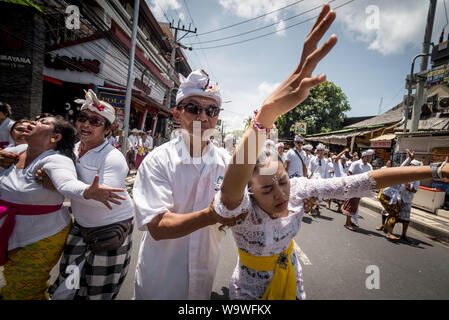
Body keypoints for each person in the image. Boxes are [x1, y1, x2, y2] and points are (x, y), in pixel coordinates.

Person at [207, 4, 449, 299]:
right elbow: (230, 189)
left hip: (294, 288)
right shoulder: (242, 210)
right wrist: (266, 116)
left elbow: (364, 182)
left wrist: (434, 169)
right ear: (251, 191)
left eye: (282, 181)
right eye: (267, 189)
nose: (281, 194)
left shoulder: (298, 189)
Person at [132, 69, 245, 300]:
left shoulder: (227, 163)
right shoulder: (158, 160)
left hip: (202, 284)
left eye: (211, 110)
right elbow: (158, 225)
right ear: (177, 114)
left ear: (217, 118)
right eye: (193, 108)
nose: (203, 117)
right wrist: (212, 215)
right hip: (158, 284)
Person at [0, 114, 123, 300]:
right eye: (83, 118)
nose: (33, 122)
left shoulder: (58, 159)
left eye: (43, 122)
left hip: (46, 235)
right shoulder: (16, 150)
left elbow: (66, 183)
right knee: (18, 280)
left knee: (22, 290)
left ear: (55, 137)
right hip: (13, 230)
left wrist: (88, 191)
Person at [41, 90, 134, 300]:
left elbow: (103, 201)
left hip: (111, 229)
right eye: (83, 118)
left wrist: (59, 186)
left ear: (108, 130)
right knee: (67, 283)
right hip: (80, 226)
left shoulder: (113, 158)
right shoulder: (71, 150)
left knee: (97, 290)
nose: (86, 125)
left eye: (95, 121)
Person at [342, 149, 374, 230]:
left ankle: (351, 221)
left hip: (361, 189)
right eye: (369, 156)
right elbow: (349, 173)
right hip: (353, 187)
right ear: (365, 157)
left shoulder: (369, 166)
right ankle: (347, 223)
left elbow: (371, 176)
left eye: (371, 157)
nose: (371, 158)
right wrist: (353, 183)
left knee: (355, 205)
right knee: (350, 204)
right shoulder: (356, 164)